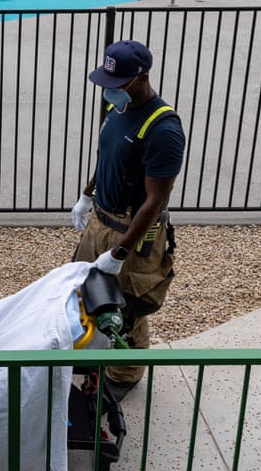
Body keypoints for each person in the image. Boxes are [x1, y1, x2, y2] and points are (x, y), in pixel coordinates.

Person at [71, 40, 186, 392]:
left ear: (142, 77)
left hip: (131, 231)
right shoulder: (117, 109)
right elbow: (107, 157)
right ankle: (91, 351)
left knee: (126, 306)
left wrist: (120, 253)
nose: (110, 91)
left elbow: (156, 200)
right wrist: (87, 195)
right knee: (87, 290)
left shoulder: (163, 129)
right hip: (101, 218)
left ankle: (124, 373)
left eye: (118, 84)